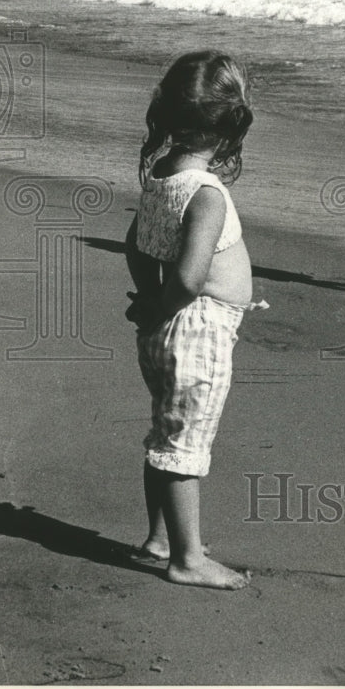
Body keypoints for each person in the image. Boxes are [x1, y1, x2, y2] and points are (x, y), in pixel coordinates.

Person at [124, 49, 257, 589]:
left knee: (166, 433)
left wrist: (146, 301)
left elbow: (136, 241)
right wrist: (163, 303)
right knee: (185, 445)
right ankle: (188, 558)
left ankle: (161, 539)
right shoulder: (207, 196)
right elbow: (190, 279)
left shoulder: (160, 176)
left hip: (165, 328)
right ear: (229, 128)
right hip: (196, 329)